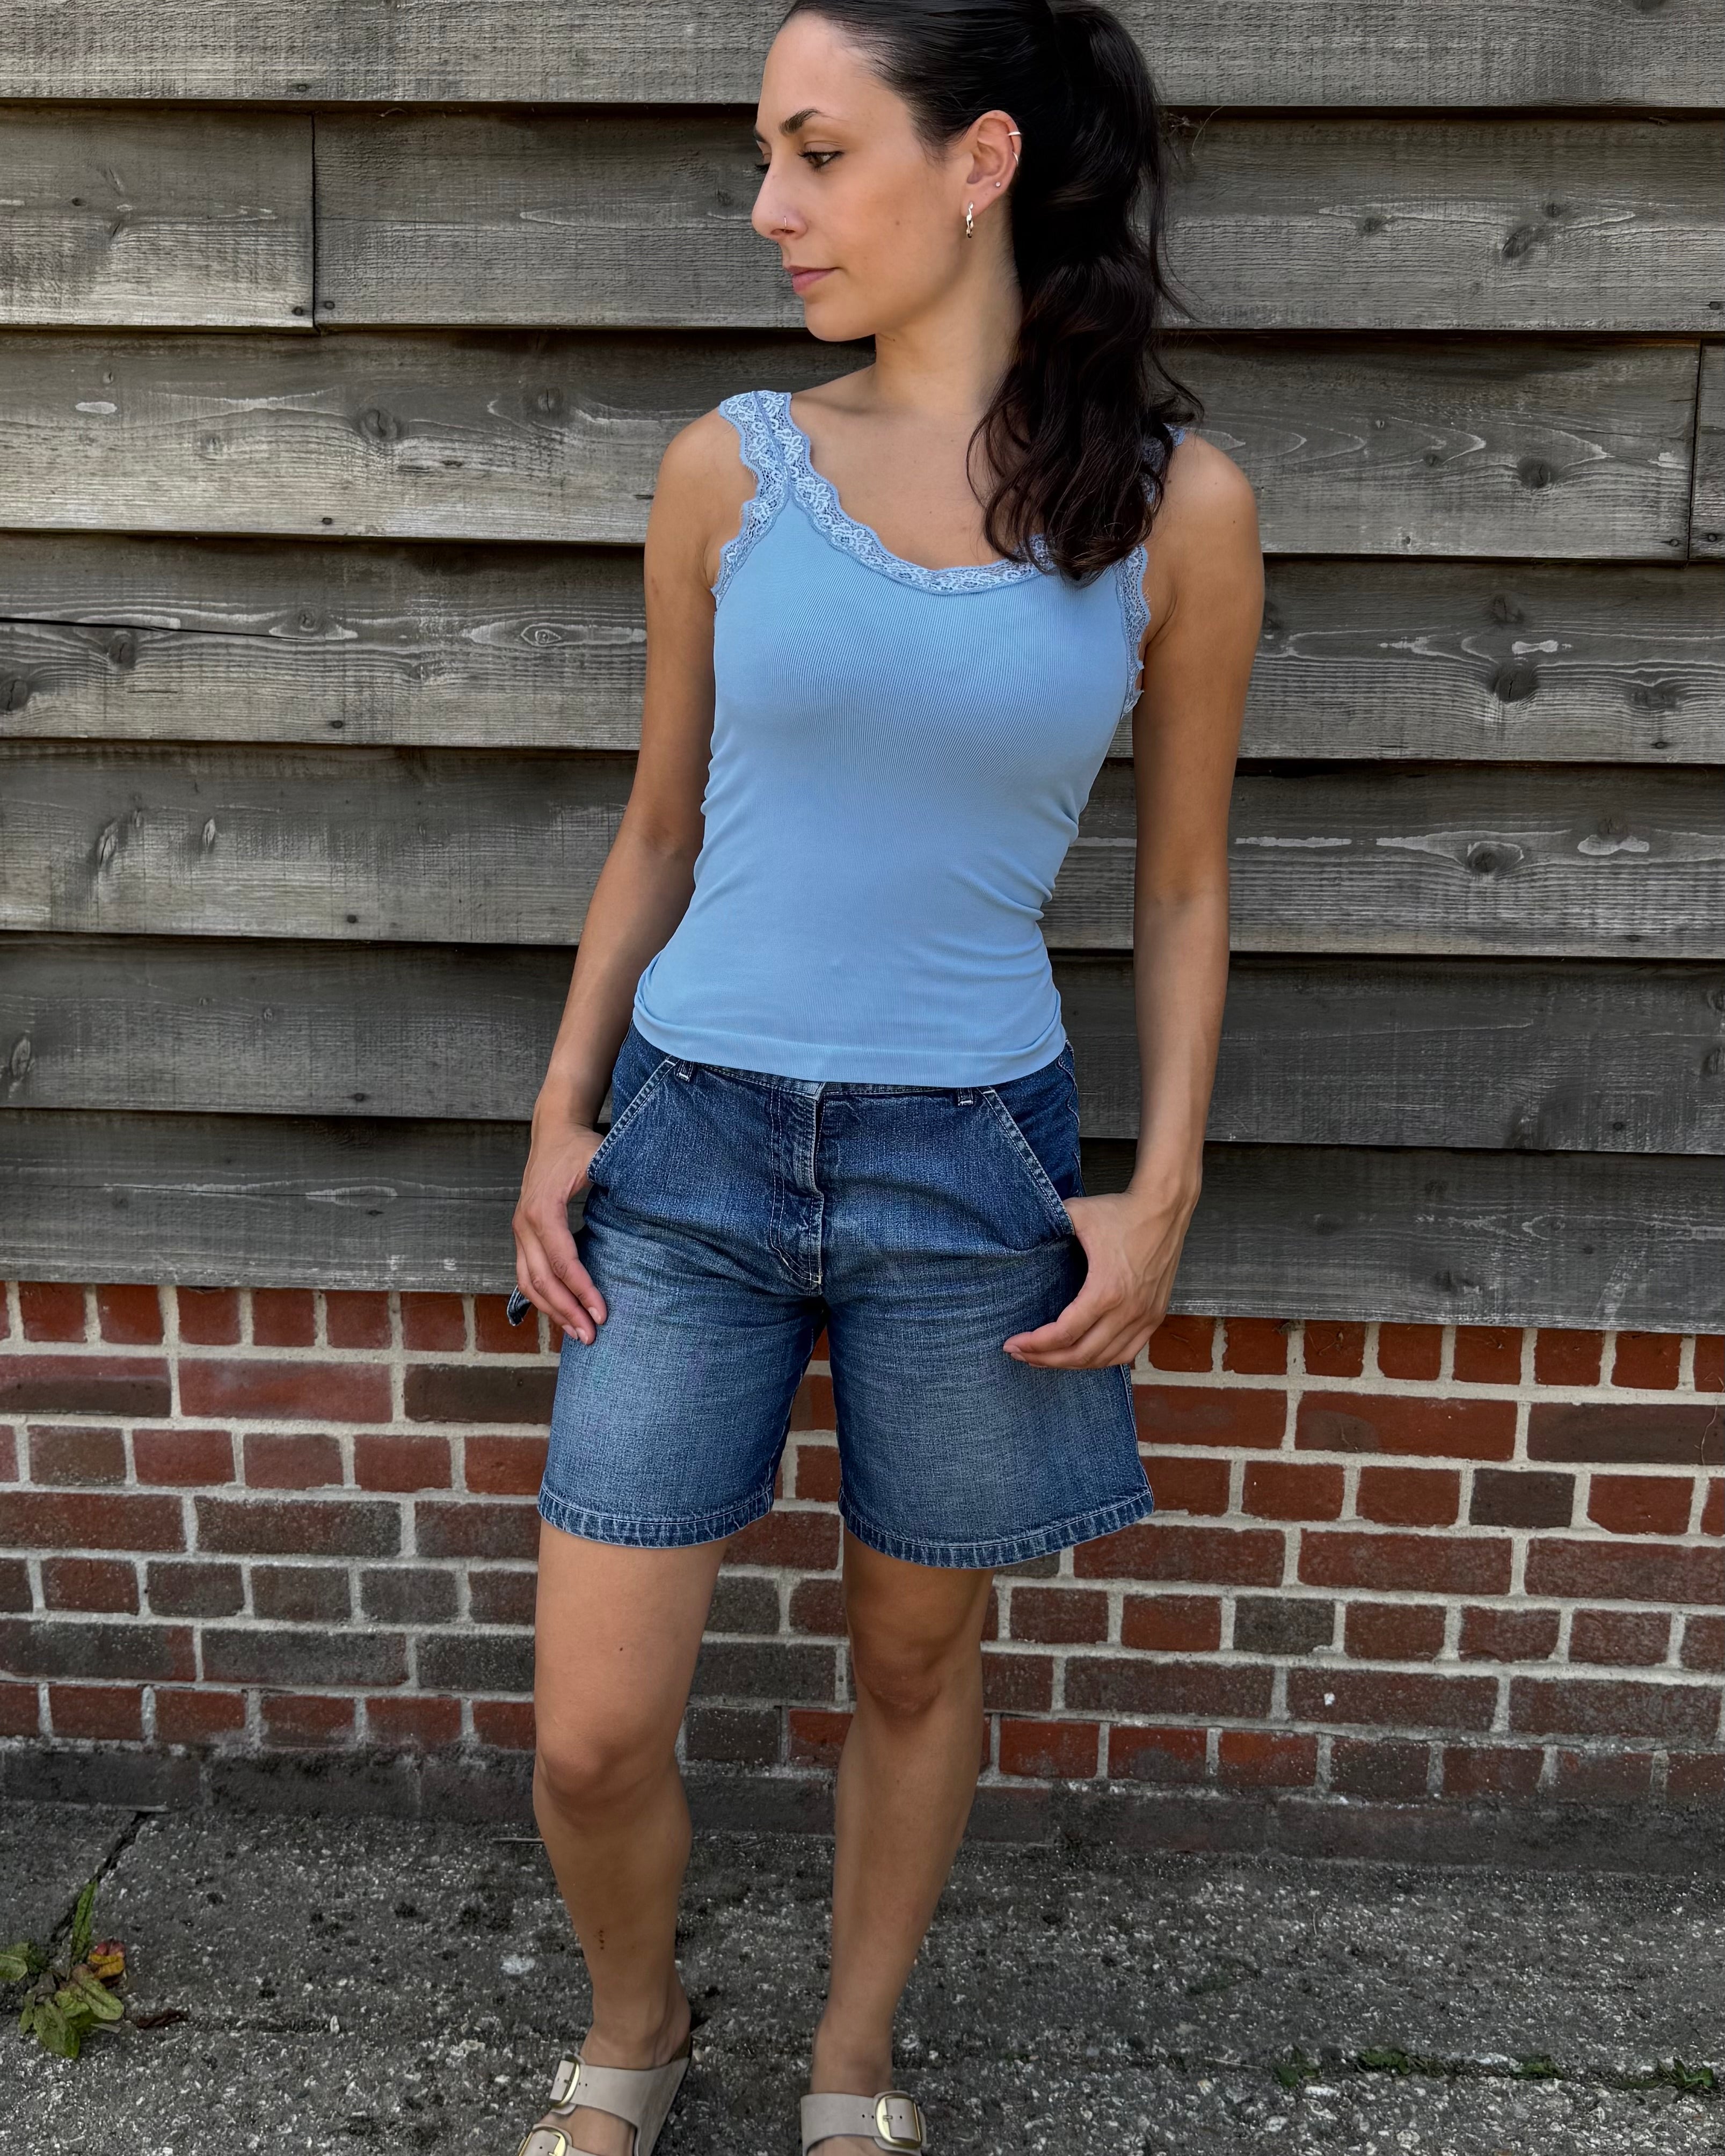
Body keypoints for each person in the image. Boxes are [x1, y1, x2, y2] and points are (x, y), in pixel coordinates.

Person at [506, 2, 1262, 2150]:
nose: (774, 206)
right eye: (771, 155)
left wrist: (1166, 1180)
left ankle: (850, 2067)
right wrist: (563, 1108)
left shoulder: (1176, 509)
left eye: (819, 152)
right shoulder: (730, 466)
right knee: (592, 1725)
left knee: (916, 1663)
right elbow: (659, 822)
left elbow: (1186, 887)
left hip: (968, 1171)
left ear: (983, 157)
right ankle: (637, 2026)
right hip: (692, 1144)